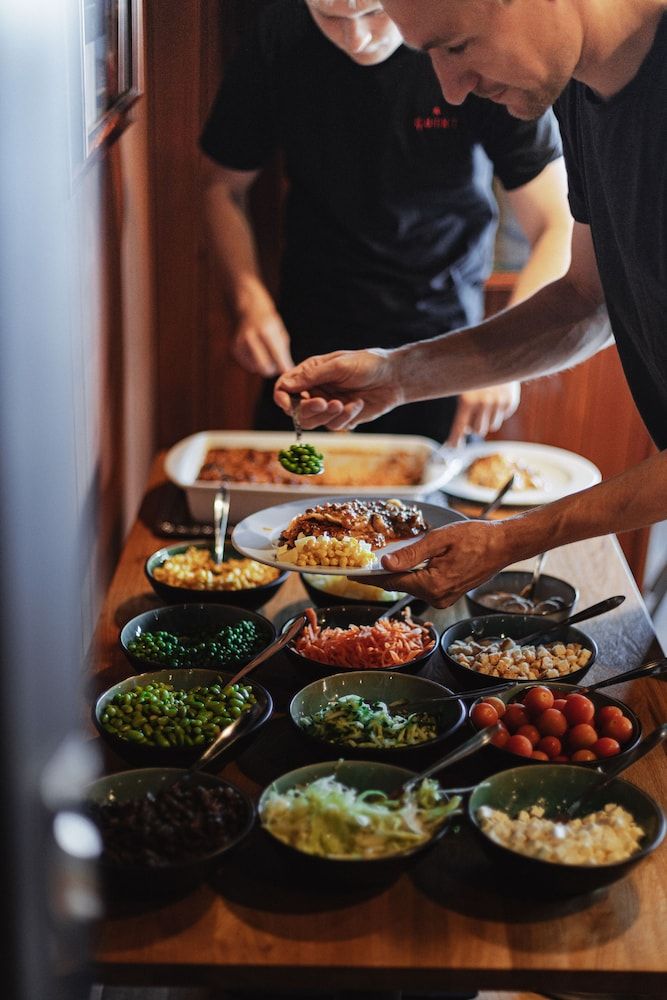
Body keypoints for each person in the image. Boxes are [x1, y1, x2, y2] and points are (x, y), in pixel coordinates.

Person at [274, 0, 667, 608]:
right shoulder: (577, 90)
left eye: (456, 46)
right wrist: (398, 374)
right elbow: (584, 302)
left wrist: (513, 538)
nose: (451, 90)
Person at [200, 0, 573, 445]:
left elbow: (557, 224)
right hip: (312, 339)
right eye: (332, 19)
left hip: (445, 347)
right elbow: (221, 188)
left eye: (375, 13)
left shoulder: (465, 42)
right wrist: (249, 301)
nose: (357, 39)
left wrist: (501, 357)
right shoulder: (277, 39)